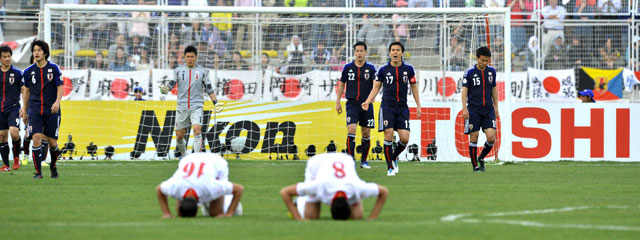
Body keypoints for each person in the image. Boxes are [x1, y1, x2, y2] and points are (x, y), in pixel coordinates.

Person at [361, 42, 422, 176]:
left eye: (397, 50)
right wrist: (367, 101)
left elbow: (414, 87)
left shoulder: (409, 69)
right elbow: (376, 87)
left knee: (404, 139)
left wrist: (418, 105)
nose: (395, 52)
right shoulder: (383, 70)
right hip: (387, 106)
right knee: (388, 134)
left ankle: (393, 157)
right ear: (389, 53)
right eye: (393, 50)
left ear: (402, 53)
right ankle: (390, 168)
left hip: (402, 107)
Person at [280, 153, 389, 220]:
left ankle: (355, 201)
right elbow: (285, 192)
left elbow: (384, 192)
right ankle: (299, 201)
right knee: (312, 216)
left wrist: (372, 218)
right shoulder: (319, 186)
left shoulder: (357, 187)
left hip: (345, 159)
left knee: (357, 216)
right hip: (317, 163)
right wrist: (298, 218)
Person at [160, 46, 217, 158]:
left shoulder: (203, 71)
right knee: (179, 136)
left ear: (196, 57)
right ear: (184, 57)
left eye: (192, 57)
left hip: (197, 106)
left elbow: (209, 88)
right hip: (182, 107)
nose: (190, 59)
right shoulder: (178, 70)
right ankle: (185, 155)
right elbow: (172, 83)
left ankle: (196, 158)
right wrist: (167, 88)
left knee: (197, 131)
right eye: (188, 57)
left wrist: (216, 102)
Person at [21, 40, 63, 179]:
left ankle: (53, 166)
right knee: (36, 138)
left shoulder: (54, 68)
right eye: (34, 50)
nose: (36, 53)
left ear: (45, 52)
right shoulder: (28, 72)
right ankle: (38, 172)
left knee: (52, 143)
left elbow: (60, 87)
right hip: (34, 110)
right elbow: (26, 92)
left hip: (51, 111)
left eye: (39, 50)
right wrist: (24, 109)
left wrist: (57, 102)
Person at [156, 153, 244, 218]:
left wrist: (229, 214)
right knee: (181, 214)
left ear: (198, 206)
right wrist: (167, 213)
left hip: (216, 162)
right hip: (188, 159)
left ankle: (228, 202)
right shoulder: (176, 186)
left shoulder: (210, 187)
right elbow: (159, 189)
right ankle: (208, 202)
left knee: (216, 213)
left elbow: (239, 189)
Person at [335, 41, 376, 169]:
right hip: (352, 104)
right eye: (357, 51)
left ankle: (364, 161)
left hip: (366, 104)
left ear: (365, 52)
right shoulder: (348, 68)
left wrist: (370, 99)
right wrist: (338, 102)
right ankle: (350, 161)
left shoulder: (371, 68)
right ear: (354, 53)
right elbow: (342, 84)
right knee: (351, 129)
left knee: (366, 133)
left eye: (361, 51)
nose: (359, 53)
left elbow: (376, 84)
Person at [461, 47, 498, 172]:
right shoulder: (469, 72)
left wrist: (496, 106)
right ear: (477, 58)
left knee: (491, 137)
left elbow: (494, 89)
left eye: (487, 61)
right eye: (482, 60)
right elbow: (464, 90)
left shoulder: (491, 71)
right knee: (474, 136)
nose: (485, 63)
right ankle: (475, 166)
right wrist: (464, 108)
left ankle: (481, 158)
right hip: (473, 109)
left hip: (488, 109)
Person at [0, 46, 23, 171]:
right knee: (2, 137)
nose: (7, 59)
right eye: (4, 57)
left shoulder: (18, 73)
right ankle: (6, 165)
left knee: (14, 134)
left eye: (9, 56)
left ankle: (16, 157)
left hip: (13, 108)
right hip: (0, 109)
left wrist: (24, 108)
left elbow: (24, 90)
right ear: (0, 58)